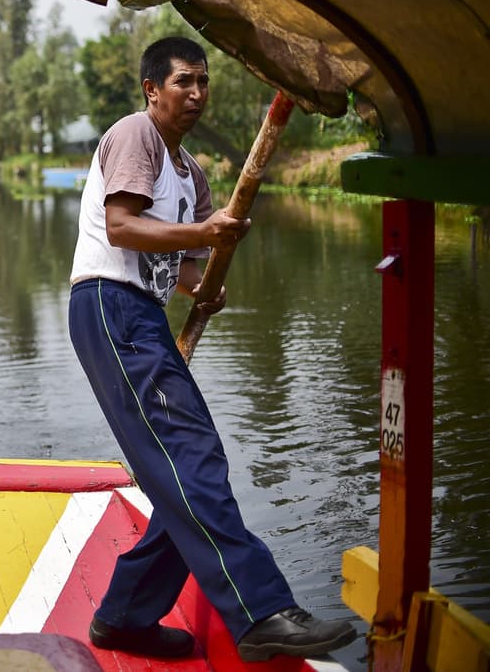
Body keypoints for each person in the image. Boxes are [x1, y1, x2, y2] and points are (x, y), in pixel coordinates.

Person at [67, 36, 357, 662]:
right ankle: (263, 612)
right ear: (152, 90)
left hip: (141, 313)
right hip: (107, 305)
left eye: (203, 82)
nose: (196, 93)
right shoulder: (133, 135)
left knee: (188, 472)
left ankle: (124, 617)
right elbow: (122, 226)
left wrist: (206, 280)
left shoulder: (191, 173)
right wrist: (203, 231)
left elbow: (191, 271)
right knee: (193, 460)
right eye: (183, 82)